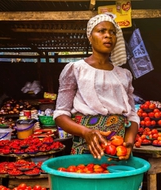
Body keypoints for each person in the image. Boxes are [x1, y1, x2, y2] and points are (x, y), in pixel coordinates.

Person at [53, 14, 140, 160]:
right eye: (101, 31)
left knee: (117, 181)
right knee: (86, 178)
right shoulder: (75, 69)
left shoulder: (124, 74)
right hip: (85, 145)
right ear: (90, 37)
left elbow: (132, 116)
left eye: (112, 32)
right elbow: (61, 114)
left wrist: (129, 144)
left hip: (118, 149)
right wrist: (86, 132)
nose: (108, 35)